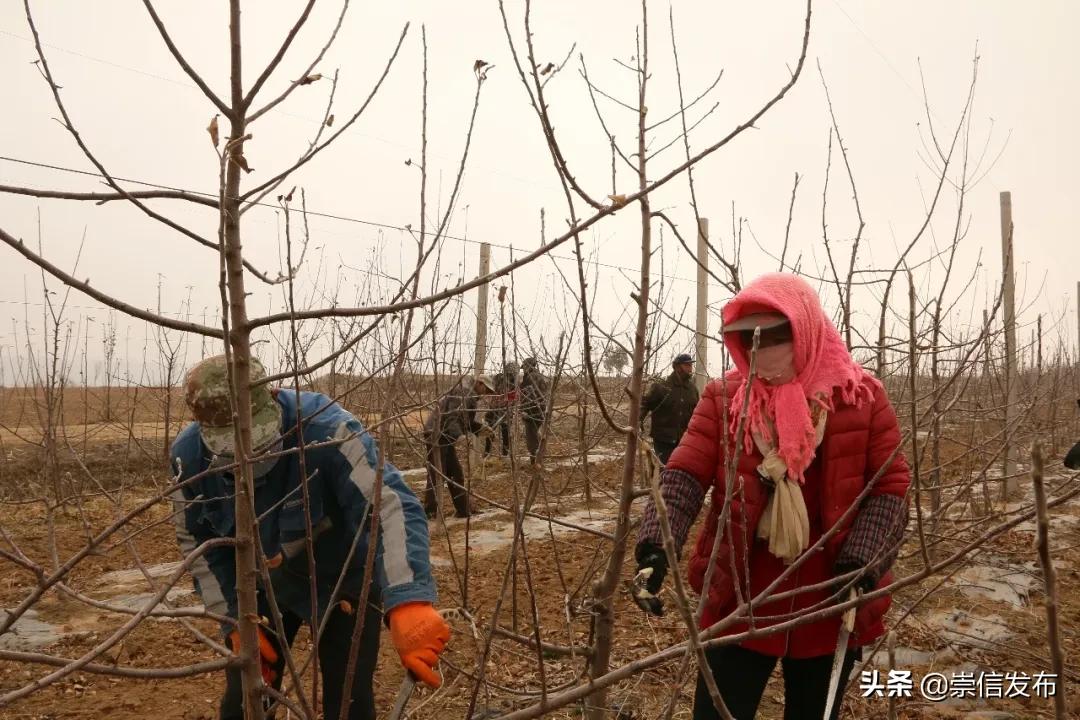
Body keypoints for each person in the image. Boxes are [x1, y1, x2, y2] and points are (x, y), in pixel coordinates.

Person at [632, 273, 910, 720]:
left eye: (776, 336)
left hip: (831, 597)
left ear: (806, 330)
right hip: (740, 598)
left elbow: (891, 486)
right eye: (749, 339)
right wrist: (654, 545)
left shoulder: (861, 398)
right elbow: (684, 474)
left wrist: (862, 563)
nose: (762, 350)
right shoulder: (725, 398)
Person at [170, 355, 449, 720]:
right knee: (244, 701)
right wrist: (234, 621)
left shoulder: (330, 431)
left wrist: (408, 599)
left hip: (344, 578)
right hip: (262, 588)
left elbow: (390, 506)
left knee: (348, 701)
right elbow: (199, 545)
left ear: (273, 394)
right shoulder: (187, 461)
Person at [423, 375, 496, 518]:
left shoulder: (468, 394)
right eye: (486, 390)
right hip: (437, 434)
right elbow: (453, 418)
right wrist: (461, 436)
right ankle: (430, 512)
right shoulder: (464, 394)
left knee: (455, 473)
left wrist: (481, 429)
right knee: (437, 474)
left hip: (444, 435)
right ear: (480, 384)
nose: (486, 394)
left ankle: (463, 511)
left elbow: (464, 421)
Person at [641, 352, 700, 465]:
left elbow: (697, 414)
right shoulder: (662, 386)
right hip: (663, 440)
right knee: (666, 470)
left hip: (684, 440)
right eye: (687, 365)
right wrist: (638, 421)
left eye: (691, 365)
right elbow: (645, 404)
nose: (690, 368)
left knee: (680, 470)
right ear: (677, 367)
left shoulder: (692, 390)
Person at [484, 362, 518, 457]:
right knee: (491, 431)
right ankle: (489, 452)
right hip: (496, 409)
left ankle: (502, 454)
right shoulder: (501, 378)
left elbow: (513, 398)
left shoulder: (512, 383)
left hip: (503, 410)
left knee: (504, 433)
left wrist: (508, 406)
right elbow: (491, 390)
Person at [519, 357, 549, 465]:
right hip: (541, 411)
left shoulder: (529, 379)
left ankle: (535, 462)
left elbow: (526, 397)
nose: (524, 369)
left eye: (525, 367)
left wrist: (524, 411)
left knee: (531, 437)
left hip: (531, 412)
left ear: (529, 366)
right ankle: (538, 456)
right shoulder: (540, 377)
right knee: (535, 434)